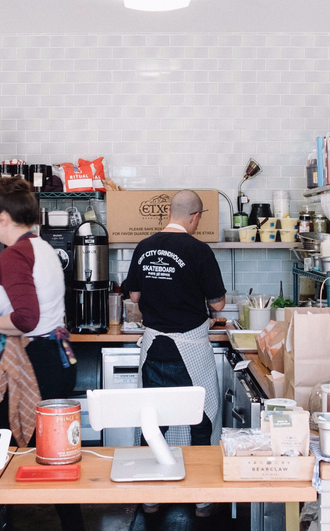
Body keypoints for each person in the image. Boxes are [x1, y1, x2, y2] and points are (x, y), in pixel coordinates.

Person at [0, 176, 83, 531]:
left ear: (3, 218)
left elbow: (26, 318)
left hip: (30, 364)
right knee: (54, 452)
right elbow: (17, 278)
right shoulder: (40, 248)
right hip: (56, 358)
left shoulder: (13, 255)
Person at [123, 189, 226, 517]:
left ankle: (151, 496)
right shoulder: (199, 250)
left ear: (169, 212)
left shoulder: (143, 247)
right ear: (195, 217)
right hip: (191, 346)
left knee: (153, 421)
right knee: (202, 419)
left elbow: (134, 296)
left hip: (155, 347)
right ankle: (201, 497)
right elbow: (218, 304)